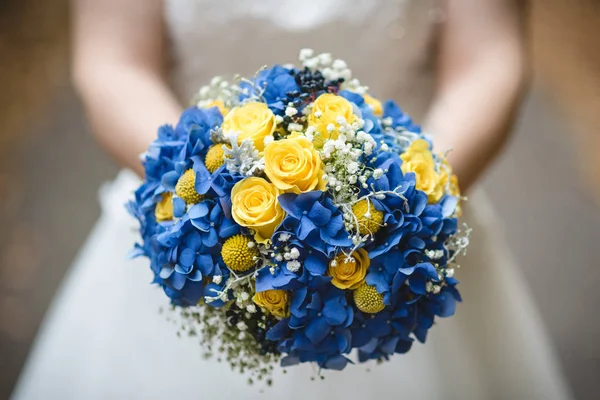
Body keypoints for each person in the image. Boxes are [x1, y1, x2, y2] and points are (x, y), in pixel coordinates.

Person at [13, 0, 572, 399]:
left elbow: (490, 61)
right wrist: (212, 197)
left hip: (399, 224)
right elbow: (113, 65)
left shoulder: (399, 212)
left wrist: (407, 204)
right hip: (198, 219)